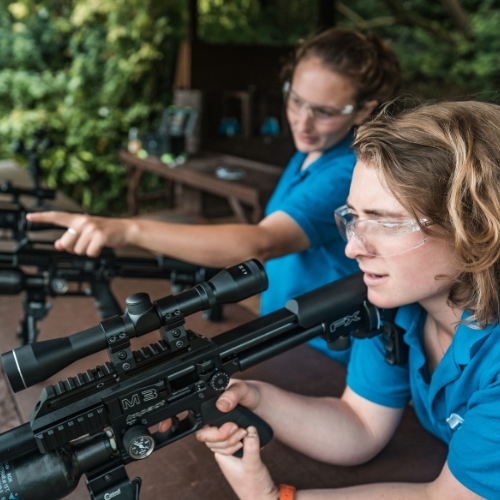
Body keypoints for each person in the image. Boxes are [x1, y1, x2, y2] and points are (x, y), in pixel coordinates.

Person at [26, 28, 400, 362]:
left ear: (363, 110)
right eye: (296, 100)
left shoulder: (346, 171)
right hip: (289, 331)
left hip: (325, 349)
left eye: (324, 112)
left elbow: (261, 242)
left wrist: (129, 230)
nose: (302, 121)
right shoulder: (312, 150)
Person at [194, 100, 500, 499]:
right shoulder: (399, 310)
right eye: (353, 218)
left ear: (477, 227)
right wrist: (255, 395)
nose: (352, 248)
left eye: (386, 222)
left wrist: (276, 498)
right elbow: (361, 425)